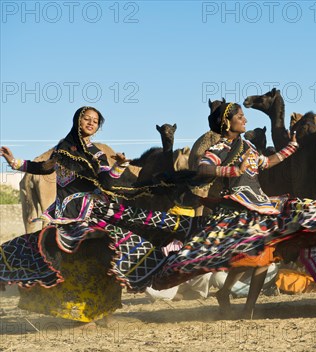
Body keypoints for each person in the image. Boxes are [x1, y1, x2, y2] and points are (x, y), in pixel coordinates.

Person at [151, 101, 316, 318]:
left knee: (264, 254)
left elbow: (266, 162)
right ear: (227, 123)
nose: (245, 120)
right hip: (238, 208)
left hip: (261, 205)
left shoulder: (249, 147)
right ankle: (232, 297)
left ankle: (246, 306)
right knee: (256, 256)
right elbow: (203, 167)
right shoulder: (220, 148)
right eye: (240, 117)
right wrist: (234, 169)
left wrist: (291, 147)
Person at [0, 106, 197, 322]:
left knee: (116, 249)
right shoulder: (62, 149)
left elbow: (107, 181)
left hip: (94, 210)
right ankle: (78, 314)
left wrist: (120, 166)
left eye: (96, 121)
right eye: (87, 119)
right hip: (68, 214)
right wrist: (14, 163)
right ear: (77, 121)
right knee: (56, 255)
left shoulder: (97, 153)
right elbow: (44, 167)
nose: (91, 123)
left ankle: (100, 312)